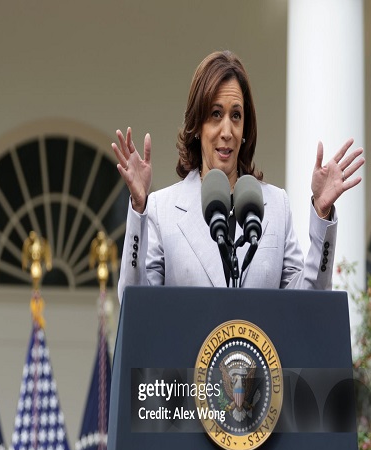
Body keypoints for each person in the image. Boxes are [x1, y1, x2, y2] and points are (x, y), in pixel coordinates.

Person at [113, 50, 365, 301]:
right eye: (215, 114)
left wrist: (322, 212)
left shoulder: (276, 205)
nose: (227, 131)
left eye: (236, 115)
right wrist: (138, 207)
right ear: (197, 126)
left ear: (245, 127)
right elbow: (134, 302)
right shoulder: (161, 209)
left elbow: (309, 304)